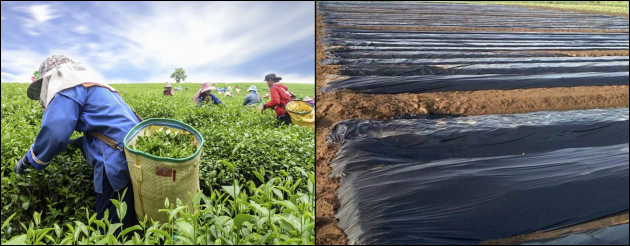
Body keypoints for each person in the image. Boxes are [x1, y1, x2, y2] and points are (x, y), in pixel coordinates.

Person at [13, 55, 140, 235]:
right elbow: (107, 126)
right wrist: (77, 143)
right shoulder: (95, 86)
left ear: (52, 77)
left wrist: (29, 158)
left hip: (113, 159)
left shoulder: (67, 86)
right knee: (126, 215)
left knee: (111, 226)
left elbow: (54, 132)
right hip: (133, 153)